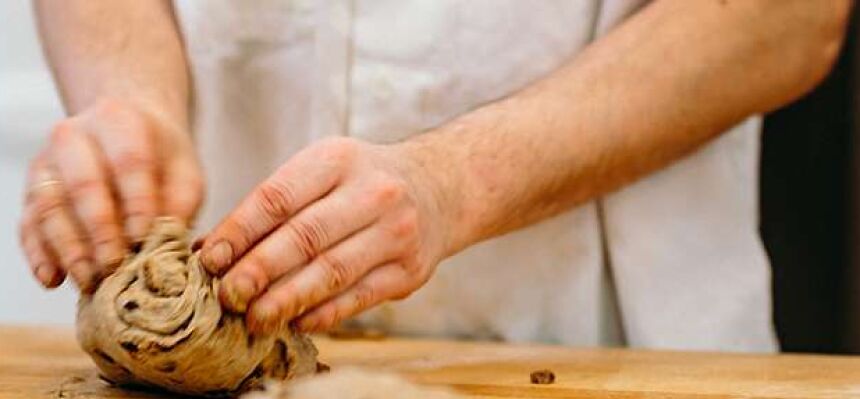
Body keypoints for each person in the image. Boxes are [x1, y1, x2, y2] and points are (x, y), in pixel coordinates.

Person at [20, 0, 852, 350]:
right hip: (213, 369)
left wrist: (457, 182)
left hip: (610, 358)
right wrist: (130, 94)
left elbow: (788, 18)